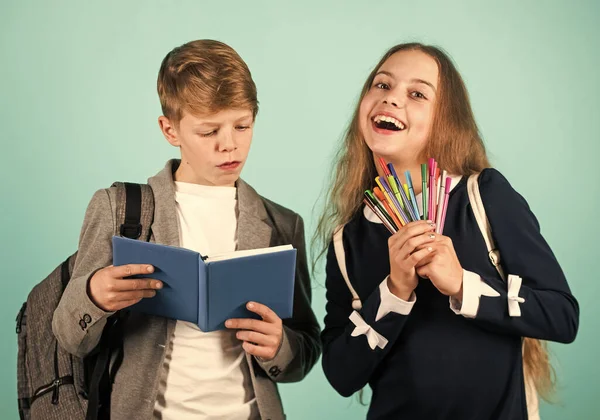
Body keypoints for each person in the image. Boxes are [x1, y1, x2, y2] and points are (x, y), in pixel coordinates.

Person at [52, 39, 321, 420]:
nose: (230, 145)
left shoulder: (281, 224)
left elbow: (305, 348)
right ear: (169, 129)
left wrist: (279, 345)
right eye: (209, 131)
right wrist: (94, 294)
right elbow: (67, 334)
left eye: (242, 125)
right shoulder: (119, 209)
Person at [316, 42, 579, 420]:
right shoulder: (348, 240)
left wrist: (461, 284)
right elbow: (341, 374)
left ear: (445, 119)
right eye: (382, 85)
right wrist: (393, 293)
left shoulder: (484, 194)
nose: (391, 100)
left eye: (417, 93)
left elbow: (562, 315)